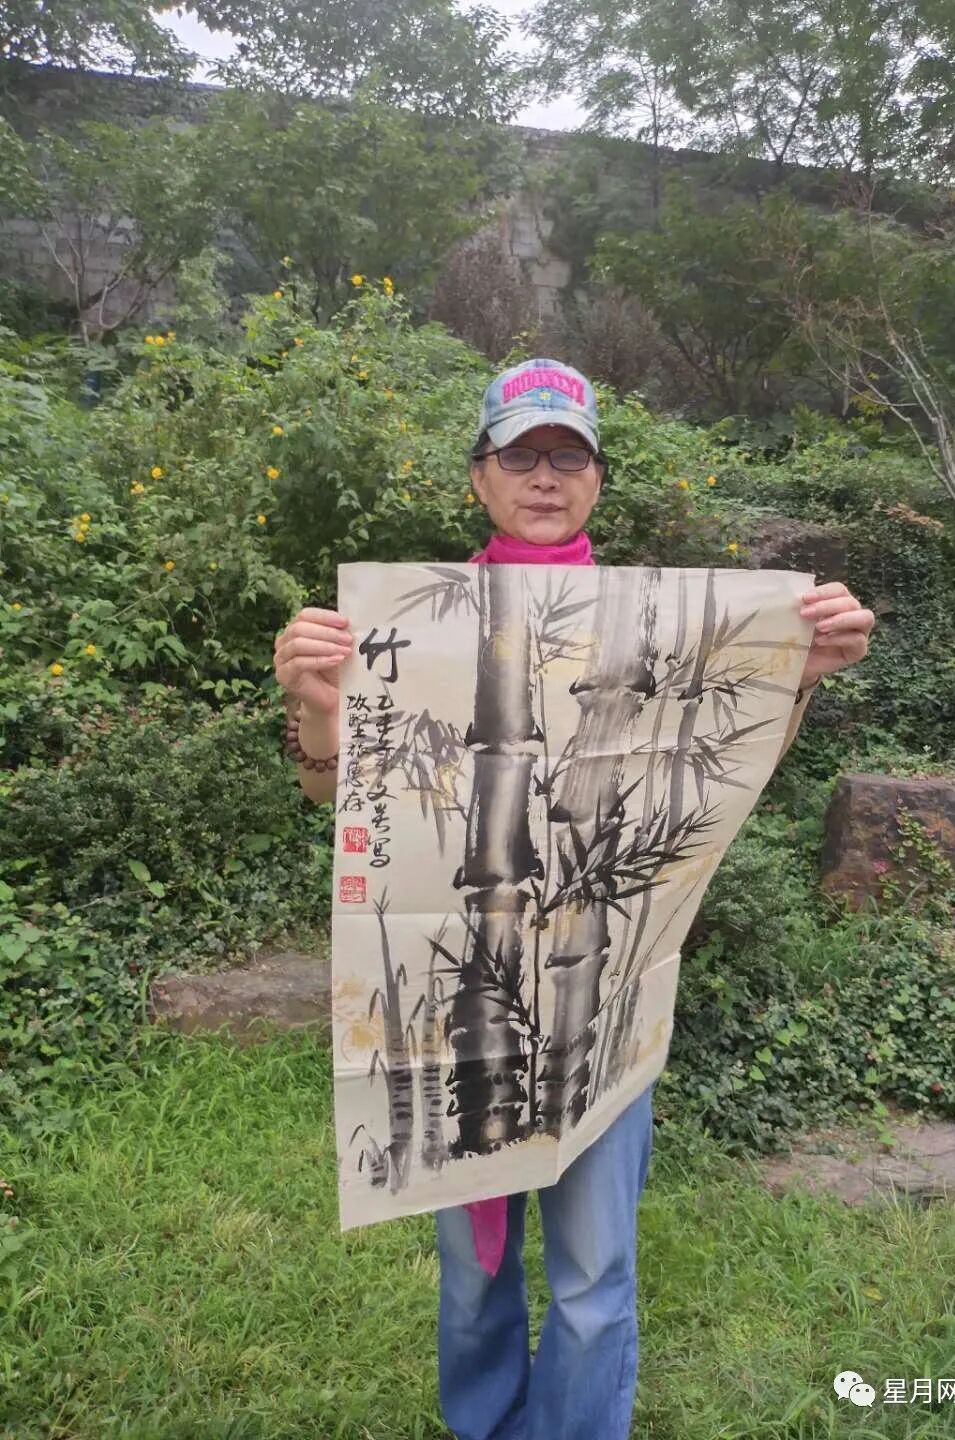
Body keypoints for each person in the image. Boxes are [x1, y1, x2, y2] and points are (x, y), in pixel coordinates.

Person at [272, 358, 876, 1440]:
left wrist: (798, 674)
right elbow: (332, 788)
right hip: (457, 999)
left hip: (605, 994)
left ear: (596, 479)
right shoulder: (406, 622)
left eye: (568, 455)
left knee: (596, 1274)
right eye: (520, 454)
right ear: (480, 476)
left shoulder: (668, 625)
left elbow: (729, 773)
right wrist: (317, 703)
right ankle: (487, 1423)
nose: (544, 476)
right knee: (471, 1270)